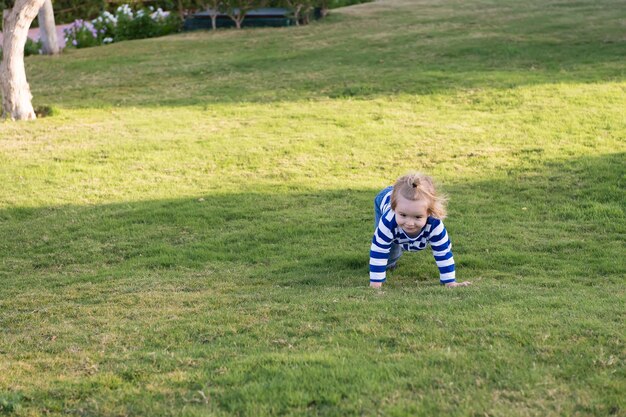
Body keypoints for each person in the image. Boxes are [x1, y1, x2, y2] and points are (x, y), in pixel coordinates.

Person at [369, 172, 471, 288]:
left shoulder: (435, 225)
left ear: (429, 212)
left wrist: (450, 282)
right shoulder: (388, 221)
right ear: (394, 209)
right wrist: (376, 284)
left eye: (417, 217)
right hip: (384, 199)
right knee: (389, 256)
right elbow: (379, 250)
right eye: (403, 215)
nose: (410, 223)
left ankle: (402, 238)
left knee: (398, 240)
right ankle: (393, 257)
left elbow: (443, 252)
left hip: (402, 201)